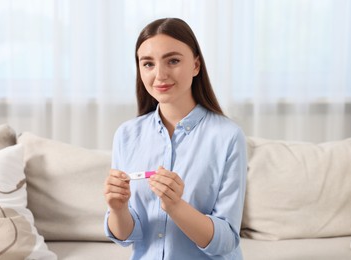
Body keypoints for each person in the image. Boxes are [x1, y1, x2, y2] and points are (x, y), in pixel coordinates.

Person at [103, 17, 247, 260]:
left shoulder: (228, 136)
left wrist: (176, 207)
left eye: (173, 61)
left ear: (195, 65)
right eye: (148, 64)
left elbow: (227, 240)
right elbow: (127, 236)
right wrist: (117, 208)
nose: (160, 74)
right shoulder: (126, 135)